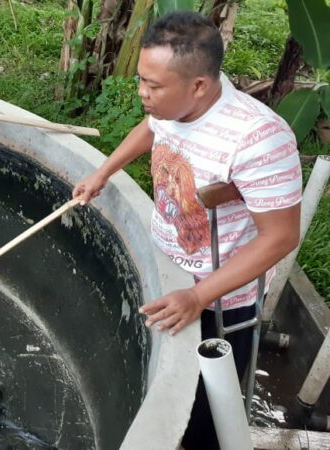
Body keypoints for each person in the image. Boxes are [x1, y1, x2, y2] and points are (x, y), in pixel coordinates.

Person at [72, 11, 302, 450]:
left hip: (221, 301)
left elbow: (281, 236)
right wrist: (104, 171)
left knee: (204, 411)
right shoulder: (172, 105)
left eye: (153, 86)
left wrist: (199, 296)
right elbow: (151, 128)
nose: (142, 93)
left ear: (199, 85)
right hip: (168, 270)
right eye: (142, 79)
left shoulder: (258, 138)